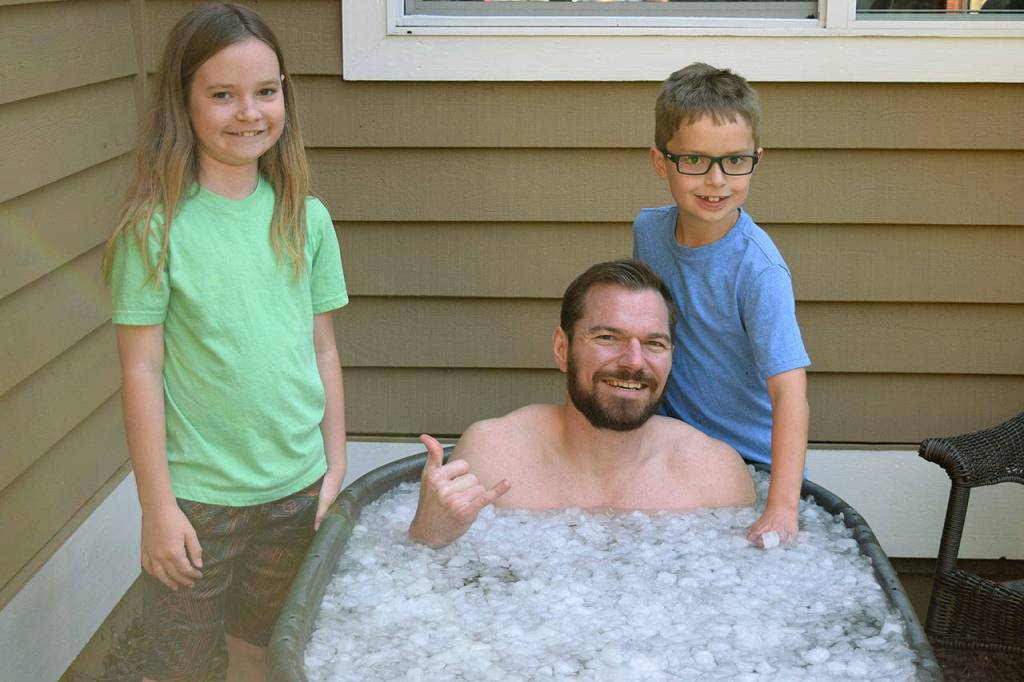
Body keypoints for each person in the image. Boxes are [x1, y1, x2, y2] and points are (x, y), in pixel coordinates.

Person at [102, 4, 348, 680]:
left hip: (295, 489)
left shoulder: (307, 219)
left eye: (266, 92)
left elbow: (323, 349)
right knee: (180, 663)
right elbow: (142, 371)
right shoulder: (155, 230)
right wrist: (156, 507)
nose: (250, 112)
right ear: (183, 103)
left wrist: (334, 465)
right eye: (222, 94)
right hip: (199, 502)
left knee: (263, 649)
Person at [409, 259, 755, 548]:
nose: (634, 362)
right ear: (563, 349)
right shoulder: (495, 455)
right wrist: (426, 535)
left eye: (654, 344)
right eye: (608, 337)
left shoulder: (713, 474)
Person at [633, 63, 810, 546]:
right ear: (660, 161)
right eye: (694, 160)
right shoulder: (648, 233)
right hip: (668, 443)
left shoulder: (759, 271)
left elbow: (789, 393)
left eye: (735, 161)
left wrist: (781, 506)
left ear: (757, 158)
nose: (716, 180)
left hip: (747, 463)